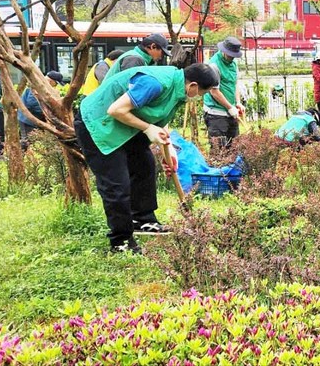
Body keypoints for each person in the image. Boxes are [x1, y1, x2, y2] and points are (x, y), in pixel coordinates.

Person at [74, 63, 219, 254]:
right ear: (193, 86)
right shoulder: (155, 83)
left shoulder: (178, 89)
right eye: (203, 92)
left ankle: (143, 220)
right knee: (117, 184)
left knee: (145, 167)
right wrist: (148, 128)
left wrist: (169, 150)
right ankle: (121, 241)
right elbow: (116, 110)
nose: (201, 97)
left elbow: (159, 116)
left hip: (126, 124)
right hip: (99, 123)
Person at [203, 37, 245, 151]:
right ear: (223, 51)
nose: (232, 58)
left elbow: (235, 83)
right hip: (216, 114)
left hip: (231, 112)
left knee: (234, 148)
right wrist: (230, 107)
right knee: (219, 150)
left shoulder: (233, 63)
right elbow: (214, 91)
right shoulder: (214, 65)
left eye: (234, 56)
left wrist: (237, 103)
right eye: (230, 55)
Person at [19, 71, 67, 146]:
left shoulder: (42, 85)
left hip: (34, 119)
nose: (56, 86)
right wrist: (48, 112)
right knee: (27, 142)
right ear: (51, 81)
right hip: (28, 119)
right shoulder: (37, 85)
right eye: (56, 83)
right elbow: (32, 104)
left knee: (36, 141)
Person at [103, 33, 169, 81]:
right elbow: (130, 89)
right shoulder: (134, 59)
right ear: (153, 46)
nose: (161, 57)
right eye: (162, 53)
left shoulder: (137, 57)